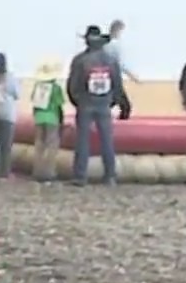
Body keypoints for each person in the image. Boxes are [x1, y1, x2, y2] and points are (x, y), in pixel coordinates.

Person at [68, 25, 123, 186]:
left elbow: (73, 86)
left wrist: (78, 101)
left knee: (82, 141)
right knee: (107, 140)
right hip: (104, 103)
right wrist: (111, 101)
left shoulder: (79, 60)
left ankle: (80, 176)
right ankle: (110, 175)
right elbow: (117, 84)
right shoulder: (111, 60)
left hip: (85, 103)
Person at [28, 57, 67, 181]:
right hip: (52, 118)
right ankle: (49, 173)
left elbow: (34, 103)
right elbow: (59, 105)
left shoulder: (38, 87)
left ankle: (37, 171)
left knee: (39, 145)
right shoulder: (56, 88)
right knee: (51, 146)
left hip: (39, 118)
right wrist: (62, 121)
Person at [106, 18, 140, 120]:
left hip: (106, 77)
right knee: (125, 107)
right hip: (114, 78)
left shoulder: (106, 44)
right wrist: (133, 76)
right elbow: (121, 64)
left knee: (112, 102)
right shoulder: (115, 45)